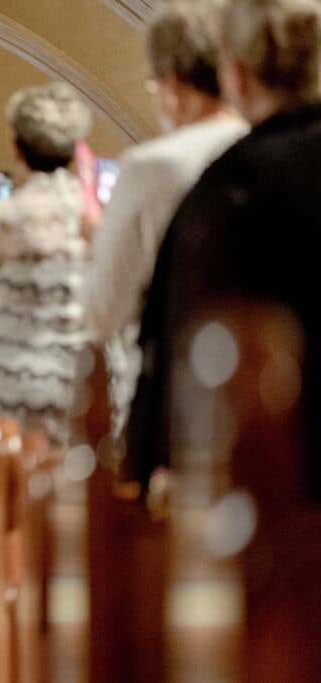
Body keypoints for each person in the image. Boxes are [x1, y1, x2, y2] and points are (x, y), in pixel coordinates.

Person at [131, 0, 321, 498]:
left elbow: (187, 330)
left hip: (274, 490)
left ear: (235, 75)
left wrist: (152, 458)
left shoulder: (235, 181)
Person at [82, 0, 248, 442]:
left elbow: (102, 313)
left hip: (181, 409)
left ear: (171, 83)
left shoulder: (152, 167)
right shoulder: (274, 150)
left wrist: (96, 240)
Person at [0, 81, 91, 450]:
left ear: (16, 148)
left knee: (13, 489)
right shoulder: (92, 216)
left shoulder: (0, 218)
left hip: (13, 380)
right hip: (82, 378)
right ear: (75, 151)